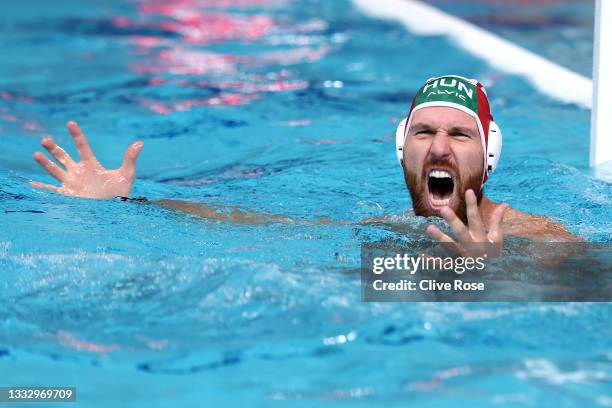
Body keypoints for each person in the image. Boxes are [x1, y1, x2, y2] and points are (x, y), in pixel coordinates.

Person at [29, 75, 576, 255]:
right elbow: (252, 226)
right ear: (400, 149)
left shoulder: (531, 233)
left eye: (459, 134)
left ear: (489, 157)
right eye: (424, 132)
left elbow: (592, 282)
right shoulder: (384, 230)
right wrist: (126, 206)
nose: (439, 147)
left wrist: (497, 270)